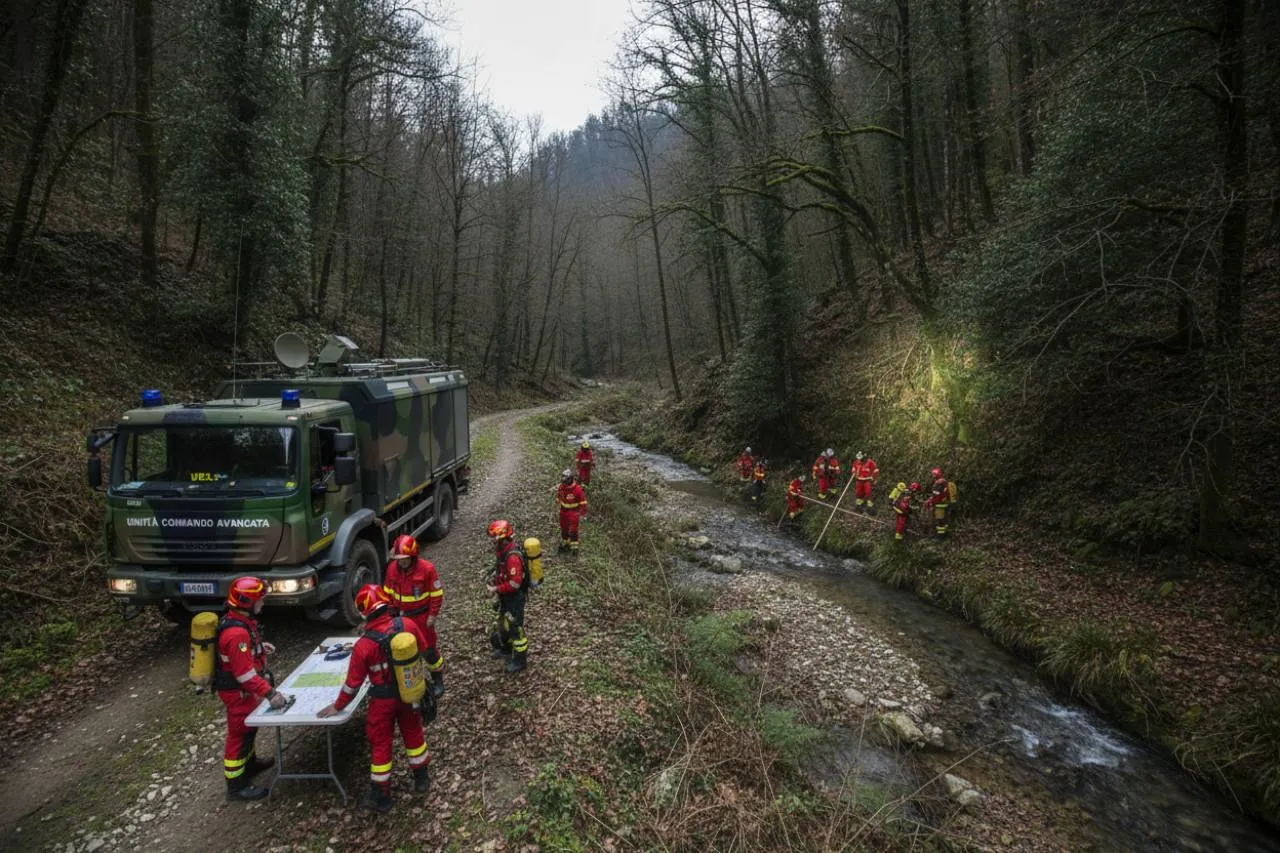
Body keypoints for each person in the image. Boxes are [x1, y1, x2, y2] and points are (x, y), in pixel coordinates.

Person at [317, 584, 431, 812]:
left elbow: (352, 685)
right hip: (408, 694)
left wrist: (338, 706)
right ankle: (422, 779)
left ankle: (381, 796)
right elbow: (424, 648)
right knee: (413, 734)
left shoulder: (363, 646)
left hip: (382, 702)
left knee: (381, 745)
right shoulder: (407, 625)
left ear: (364, 612)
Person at [216, 576, 288, 802]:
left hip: (243, 692)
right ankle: (236, 786)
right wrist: (270, 693)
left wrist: (258, 648)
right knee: (240, 735)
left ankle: (251, 764)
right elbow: (244, 674)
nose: (263, 602)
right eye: (261, 599)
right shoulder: (236, 633)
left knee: (250, 731)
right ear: (247, 602)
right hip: (238, 693)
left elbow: (241, 655)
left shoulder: (239, 622)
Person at [382, 534, 446, 697]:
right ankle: (409, 682)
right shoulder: (392, 569)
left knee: (428, 651)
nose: (401, 561)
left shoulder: (427, 569)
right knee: (402, 650)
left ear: (413, 555)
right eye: (399, 558)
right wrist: (389, 613)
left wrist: (433, 615)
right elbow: (388, 592)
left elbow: (436, 593)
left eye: (405, 558)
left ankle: (437, 678)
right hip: (399, 618)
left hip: (422, 618)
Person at [487, 519, 530, 673]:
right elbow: (501, 570)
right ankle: (505, 649)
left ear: (504, 538)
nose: (493, 541)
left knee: (515, 628)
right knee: (503, 624)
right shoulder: (503, 551)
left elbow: (515, 584)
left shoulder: (512, 557)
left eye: (495, 538)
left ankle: (520, 660)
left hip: (514, 598)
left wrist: (496, 589)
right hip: (506, 597)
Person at [555, 468, 588, 553]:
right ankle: (566, 544)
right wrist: (558, 500)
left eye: (565, 480)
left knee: (573, 531)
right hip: (563, 512)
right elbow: (559, 495)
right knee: (564, 529)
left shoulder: (577, 490)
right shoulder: (561, 487)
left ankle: (574, 549)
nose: (564, 482)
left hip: (573, 513)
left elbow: (583, 503)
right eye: (563, 480)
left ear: (570, 480)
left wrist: (583, 514)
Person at [924, 467, 952, 540]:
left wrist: (930, 502)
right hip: (945, 503)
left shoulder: (938, 483)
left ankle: (940, 536)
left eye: (933, 474)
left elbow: (936, 495)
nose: (932, 476)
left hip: (939, 505)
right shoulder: (944, 481)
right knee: (944, 520)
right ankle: (945, 534)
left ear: (936, 474)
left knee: (940, 520)